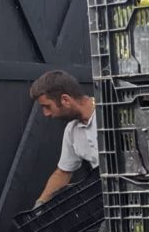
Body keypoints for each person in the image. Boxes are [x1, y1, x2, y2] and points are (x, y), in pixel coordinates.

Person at [29, 71, 98, 206]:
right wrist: (41, 203)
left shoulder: (111, 114)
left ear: (65, 100)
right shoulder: (71, 130)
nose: (46, 113)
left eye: (47, 106)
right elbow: (63, 172)